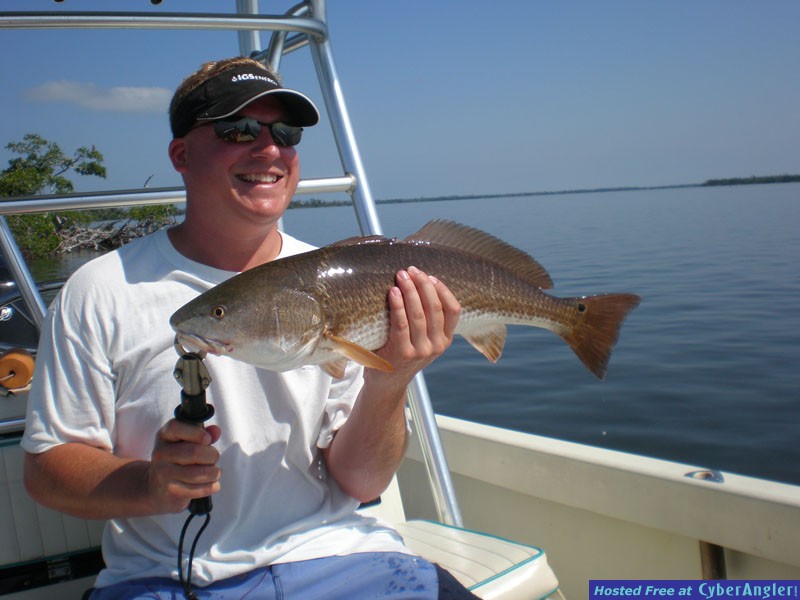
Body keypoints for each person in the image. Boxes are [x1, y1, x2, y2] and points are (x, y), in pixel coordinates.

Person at [22, 57, 478, 599]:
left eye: (285, 132)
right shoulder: (99, 290)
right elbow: (48, 469)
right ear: (181, 154)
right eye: (236, 129)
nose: (268, 148)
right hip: (168, 578)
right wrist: (148, 483)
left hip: (339, 556)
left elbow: (362, 483)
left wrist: (391, 380)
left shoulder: (341, 282)